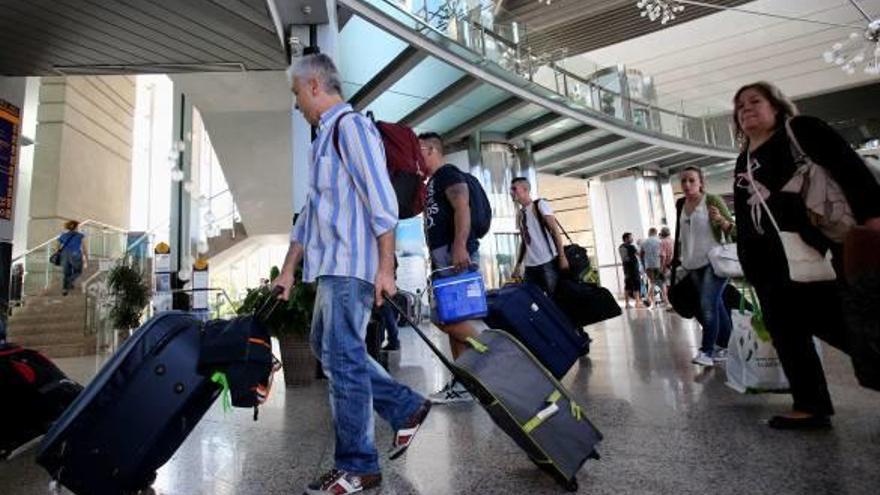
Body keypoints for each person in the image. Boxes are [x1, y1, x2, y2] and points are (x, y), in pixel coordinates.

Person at [274, 54, 430, 495]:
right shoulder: (322, 139)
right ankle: (405, 407)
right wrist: (288, 270)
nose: (297, 103)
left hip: (351, 266)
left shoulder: (352, 128)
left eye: (297, 94)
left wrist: (385, 267)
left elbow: (382, 202)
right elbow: (310, 215)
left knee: (341, 358)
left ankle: (358, 465)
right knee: (329, 350)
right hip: (329, 267)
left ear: (314, 86)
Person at [732, 81, 880, 430]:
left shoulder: (800, 130)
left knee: (837, 322)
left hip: (815, 247)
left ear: (777, 106)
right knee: (786, 328)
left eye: (755, 101)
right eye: (740, 107)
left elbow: (849, 168)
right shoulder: (745, 156)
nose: (746, 109)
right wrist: (748, 262)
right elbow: (745, 215)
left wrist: (873, 218)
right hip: (769, 262)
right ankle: (810, 404)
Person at [419, 131, 480, 404]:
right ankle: (466, 382)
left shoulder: (448, 173)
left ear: (431, 149)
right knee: (452, 318)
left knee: (443, 317)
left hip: (453, 254)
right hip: (442, 255)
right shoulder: (431, 182)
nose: (415, 156)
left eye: (419, 150)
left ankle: (491, 352)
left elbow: (462, 205)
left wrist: (459, 245)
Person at [672, 167, 736, 367]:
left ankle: (707, 351)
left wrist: (720, 221)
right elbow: (683, 236)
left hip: (714, 262)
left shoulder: (712, 200)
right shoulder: (681, 204)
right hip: (692, 264)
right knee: (716, 306)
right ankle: (728, 346)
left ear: (701, 182)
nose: (687, 185)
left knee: (707, 306)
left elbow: (734, 231)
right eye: (683, 181)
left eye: (691, 180)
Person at [510, 177, 569, 295]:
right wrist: (518, 264)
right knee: (533, 301)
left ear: (525, 189)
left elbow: (554, 230)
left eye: (514, 189)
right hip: (530, 267)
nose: (511, 192)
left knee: (552, 300)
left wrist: (562, 257)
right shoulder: (520, 214)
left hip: (547, 262)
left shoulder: (540, 205)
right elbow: (525, 241)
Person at [57, 220, 87, 296]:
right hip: (75, 254)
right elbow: (84, 247)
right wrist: (86, 256)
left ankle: (65, 290)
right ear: (76, 227)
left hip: (65, 254)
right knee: (78, 271)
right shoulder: (80, 235)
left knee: (66, 273)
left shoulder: (63, 235)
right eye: (78, 226)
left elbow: (57, 246)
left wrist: (59, 253)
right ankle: (70, 281)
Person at [640, 227, 666, 307]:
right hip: (658, 264)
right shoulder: (660, 241)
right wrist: (662, 266)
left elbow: (641, 254)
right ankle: (666, 301)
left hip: (648, 265)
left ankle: (651, 302)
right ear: (655, 232)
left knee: (652, 283)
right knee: (662, 283)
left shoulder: (644, 242)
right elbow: (663, 255)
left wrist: (644, 265)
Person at [618, 233, 642, 308]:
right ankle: (637, 303)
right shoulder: (631, 247)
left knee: (627, 286)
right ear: (626, 238)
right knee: (636, 285)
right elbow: (639, 254)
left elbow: (624, 258)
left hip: (626, 270)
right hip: (633, 269)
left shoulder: (621, 247)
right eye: (631, 237)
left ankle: (627, 304)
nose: (632, 239)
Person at [658, 227, 674, 308]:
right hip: (675, 266)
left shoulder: (663, 242)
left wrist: (661, 268)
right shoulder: (673, 240)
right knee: (673, 284)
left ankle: (668, 303)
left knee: (664, 284)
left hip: (667, 266)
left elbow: (663, 256)